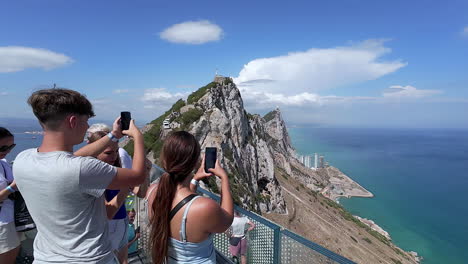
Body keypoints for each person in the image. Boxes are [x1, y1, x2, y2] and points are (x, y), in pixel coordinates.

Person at [13, 88, 147, 264]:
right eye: (86, 122)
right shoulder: (81, 169)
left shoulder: (23, 159)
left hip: (45, 258)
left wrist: (113, 135)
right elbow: (137, 176)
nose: (86, 128)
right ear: (73, 121)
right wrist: (138, 138)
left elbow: (70, 158)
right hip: (91, 259)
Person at [147, 131, 234, 264]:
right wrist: (224, 178)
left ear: (164, 160)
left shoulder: (153, 192)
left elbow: (181, 203)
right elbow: (226, 220)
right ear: (195, 164)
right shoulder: (204, 206)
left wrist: (194, 180)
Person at [87, 130, 150, 264]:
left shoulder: (115, 171)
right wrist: (126, 188)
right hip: (105, 229)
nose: (114, 157)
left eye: (116, 152)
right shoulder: (92, 176)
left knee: (123, 261)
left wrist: (146, 173)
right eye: (108, 153)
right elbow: (108, 212)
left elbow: (141, 192)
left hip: (122, 222)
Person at [0, 127, 21, 264]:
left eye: (11, 146)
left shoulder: (4, 163)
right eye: (3, 148)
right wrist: (12, 187)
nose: (8, 151)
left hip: (11, 218)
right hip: (2, 224)